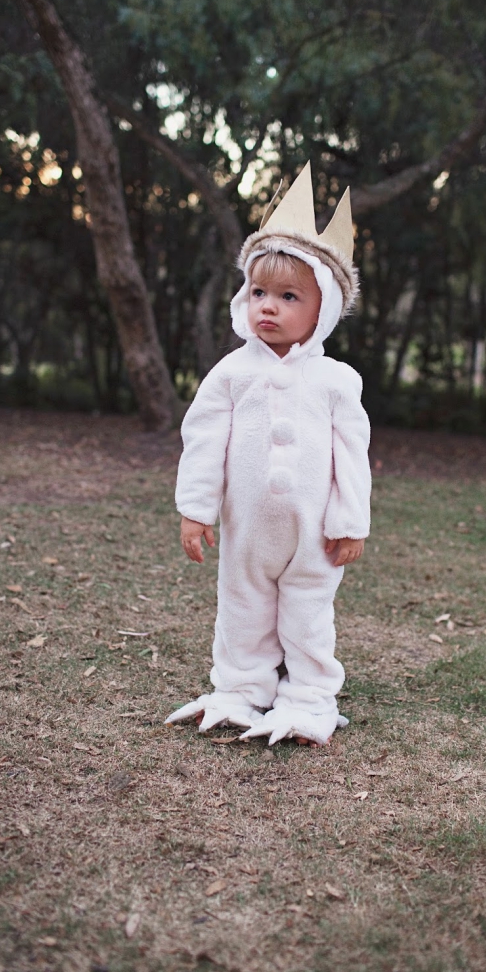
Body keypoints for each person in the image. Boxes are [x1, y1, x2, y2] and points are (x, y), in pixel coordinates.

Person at [166, 163, 371, 746]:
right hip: (247, 528)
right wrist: (196, 508)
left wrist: (350, 520)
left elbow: (352, 453)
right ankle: (240, 689)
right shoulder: (231, 372)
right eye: (259, 293)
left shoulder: (337, 382)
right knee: (241, 608)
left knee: (308, 616)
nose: (268, 307)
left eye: (288, 296)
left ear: (322, 308)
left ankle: (309, 698)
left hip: (315, 535)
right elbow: (203, 438)